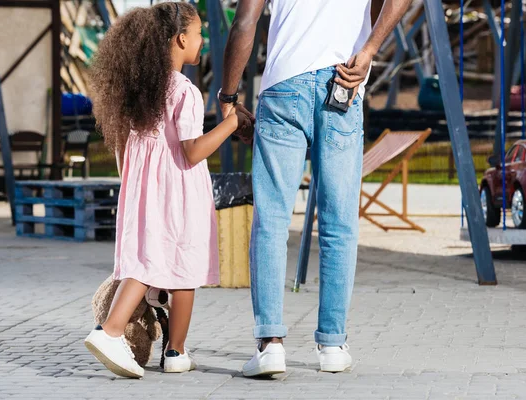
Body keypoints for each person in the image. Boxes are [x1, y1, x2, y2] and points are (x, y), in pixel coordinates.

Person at [219, 0, 411, 376]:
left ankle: (270, 345)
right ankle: (333, 344)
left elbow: (245, 22)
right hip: (342, 83)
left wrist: (228, 99)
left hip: (284, 86)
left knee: (272, 221)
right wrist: (369, 50)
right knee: (339, 223)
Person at [83, 2, 250, 378]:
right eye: (199, 34)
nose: (203, 41)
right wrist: (231, 123)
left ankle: (173, 353)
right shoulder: (184, 92)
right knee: (180, 269)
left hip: (143, 190)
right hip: (178, 192)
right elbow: (192, 152)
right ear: (179, 39)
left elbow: (124, 148)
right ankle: (120, 334)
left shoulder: (140, 91)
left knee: (147, 257)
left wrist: (135, 184)